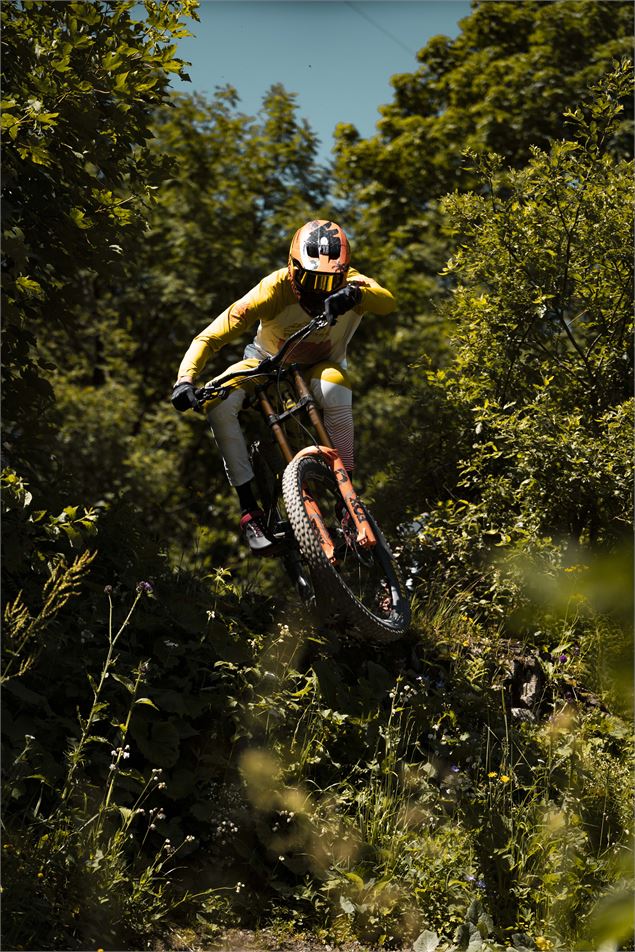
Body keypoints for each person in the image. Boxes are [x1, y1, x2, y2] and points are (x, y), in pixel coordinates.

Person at [171, 219, 395, 554]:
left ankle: (348, 495)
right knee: (217, 405)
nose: (319, 291)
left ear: (342, 274)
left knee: (335, 389)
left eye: (328, 283)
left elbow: (387, 301)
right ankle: (250, 511)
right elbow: (210, 336)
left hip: (320, 366)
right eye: (309, 279)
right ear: (292, 268)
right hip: (266, 363)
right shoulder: (273, 289)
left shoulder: (353, 283)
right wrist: (185, 378)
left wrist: (354, 294)